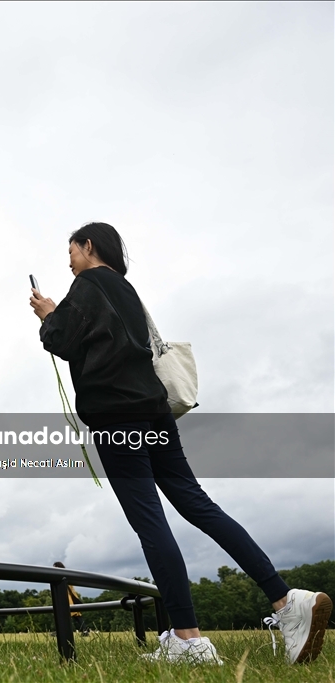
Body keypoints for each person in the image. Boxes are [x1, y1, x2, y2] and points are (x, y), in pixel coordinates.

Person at [29, 222, 331, 665]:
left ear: (89, 246)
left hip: (117, 418)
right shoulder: (128, 293)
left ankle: (188, 639)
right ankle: (286, 601)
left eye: (71, 250)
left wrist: (48, 314)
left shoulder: (88, 284)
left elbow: (62, 341)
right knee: (198, 504)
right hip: (154, 412)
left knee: (149, 521)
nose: (68, 259)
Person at [53, 562, 91, 636]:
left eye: (55, 567)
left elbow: (70, 589)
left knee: (69, 615)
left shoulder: (63, 575)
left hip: (68, 599)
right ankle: (85, 630)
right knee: (75, 616)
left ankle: (60, 631)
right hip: (67, 598)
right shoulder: (63, 575)